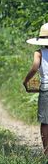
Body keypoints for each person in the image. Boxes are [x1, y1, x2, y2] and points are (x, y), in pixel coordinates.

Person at [23, 23, 48, 155]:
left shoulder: (39, 53)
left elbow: (34, 68)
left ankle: (46, 152)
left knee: (45, 122)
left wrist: (26, 80)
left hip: (46, 88)